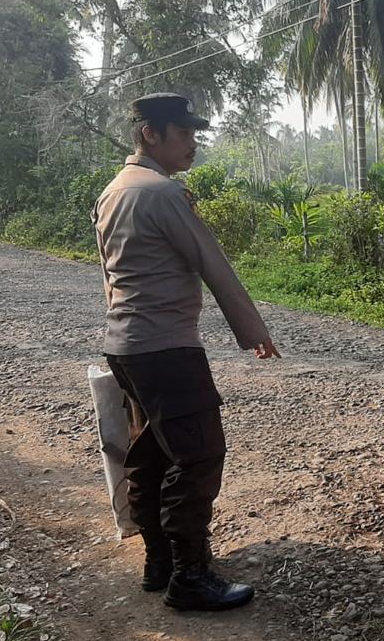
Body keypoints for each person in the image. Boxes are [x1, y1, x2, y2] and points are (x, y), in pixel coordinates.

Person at [93, 92, 280, 612]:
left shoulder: (113, 191)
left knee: (154, 451)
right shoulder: (161, 193)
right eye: (184, 134)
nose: (192, 144)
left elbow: (111, 275)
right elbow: (211, 262)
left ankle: (160, 563)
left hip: (126, 346)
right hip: (165, 347)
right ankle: (191, 575)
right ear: (151, 134)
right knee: (198, 454)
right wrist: (252, 329)